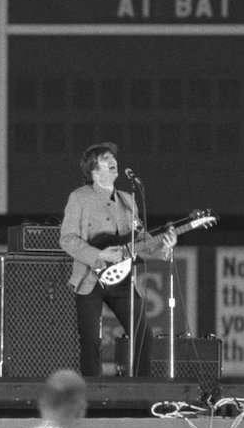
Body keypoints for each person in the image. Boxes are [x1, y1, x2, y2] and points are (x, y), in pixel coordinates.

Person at [59, 143, 176, 377]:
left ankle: (141, 389)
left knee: (143, 332)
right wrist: (98, 255)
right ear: (93, 170)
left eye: (113, 158)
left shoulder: (127, 200)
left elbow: (140, 241)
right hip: (90, 279)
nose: (113, 161)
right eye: (105, 159)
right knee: (91, 340)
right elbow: (67, 239)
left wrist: (163, 247)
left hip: (122, 279)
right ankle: (92, 392)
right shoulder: (79, 198)